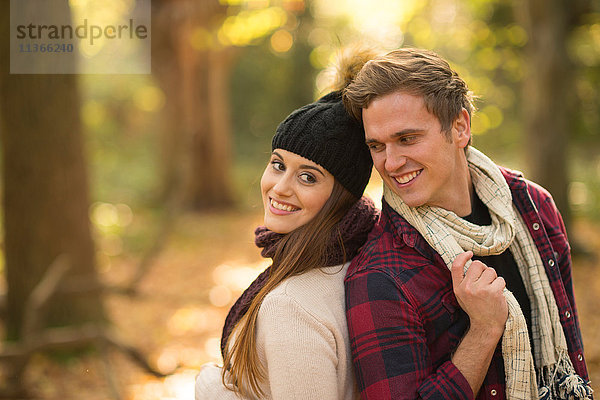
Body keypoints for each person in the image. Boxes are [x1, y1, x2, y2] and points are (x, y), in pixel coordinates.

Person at [341, 48, 593, 400]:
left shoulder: (533, 208)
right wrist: (484, 330)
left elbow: (570, 350)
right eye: (377, 146)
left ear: (460, 126)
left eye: (407, 138)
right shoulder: (380, 276)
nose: (391, 162)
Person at [195, 88, 378, 399]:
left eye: (308, 177)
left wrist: (214, 391)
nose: (279, 188)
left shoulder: (292, 308)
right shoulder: (355, 262)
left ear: (342, 197)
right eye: (278, 165)